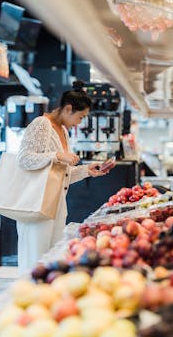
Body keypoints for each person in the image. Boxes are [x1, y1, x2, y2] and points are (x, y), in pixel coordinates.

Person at [16, 80, 114, 274]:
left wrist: (87, 170)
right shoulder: (41, 124)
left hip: (56, 205)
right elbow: (24, 159)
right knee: (35, 260)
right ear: (68, 109)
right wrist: (57, 155)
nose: (80, 122)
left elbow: (60, 175)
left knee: (52, 260)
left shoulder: (64, 131)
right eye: (81, 117)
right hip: (36, 204)